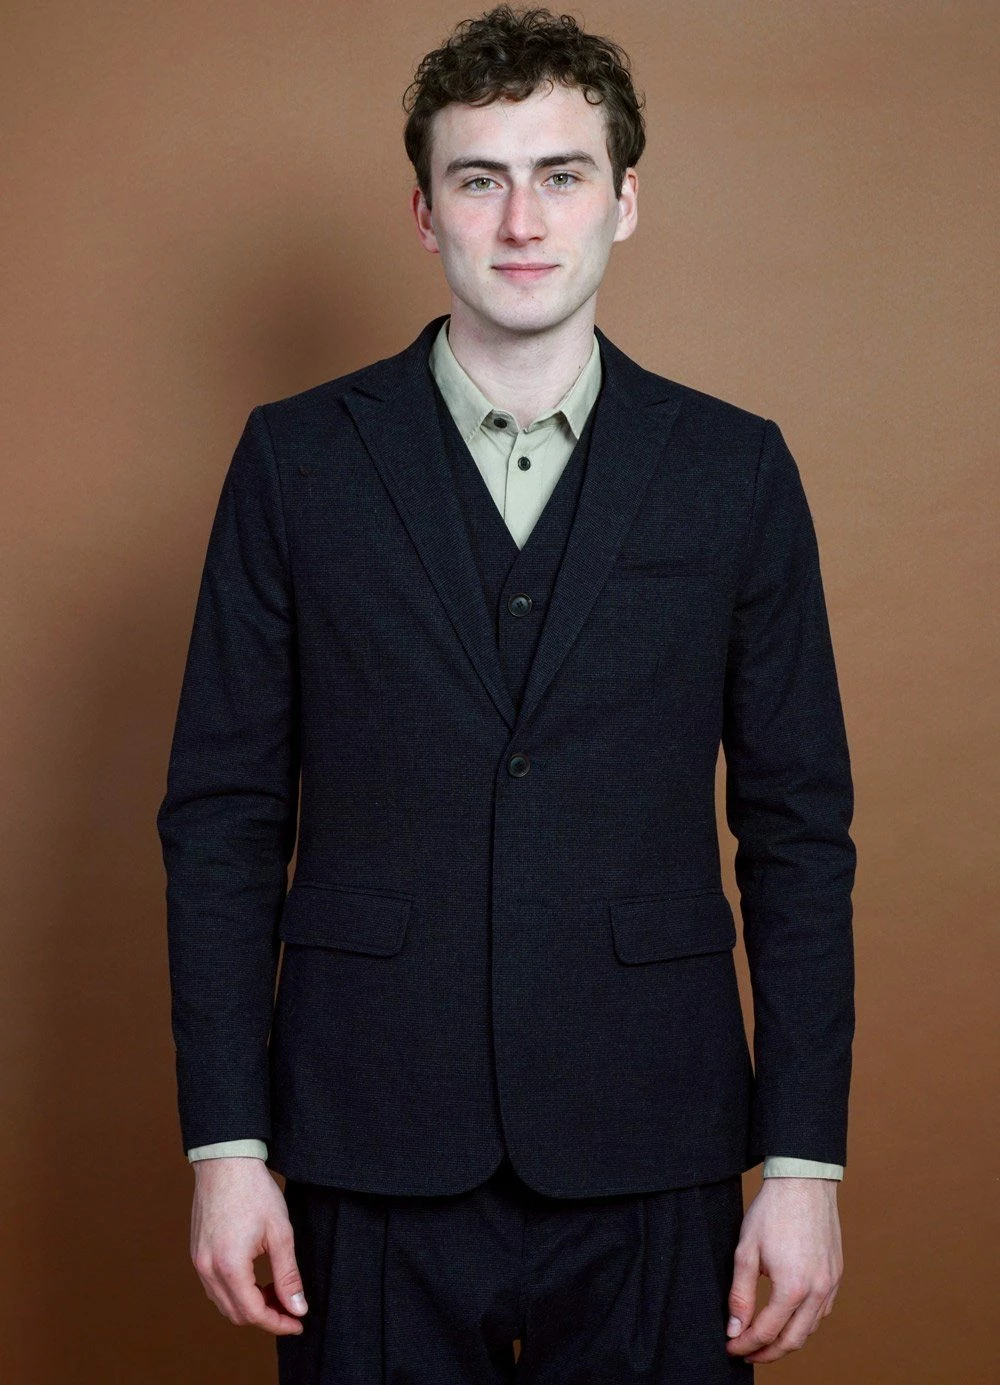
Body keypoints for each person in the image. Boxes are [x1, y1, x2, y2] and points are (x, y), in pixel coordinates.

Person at [156, 7, 856, 1381]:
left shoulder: (735, 471)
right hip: (366, 1131)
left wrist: (802, 1158)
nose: (522, 221)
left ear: (624, 200)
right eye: (480, 179)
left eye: (562, 174)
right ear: (425, 213)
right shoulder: (296, 462)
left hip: (655, 1132)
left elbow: (799, 835)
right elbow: (222, 816)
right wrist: (227, 1146)